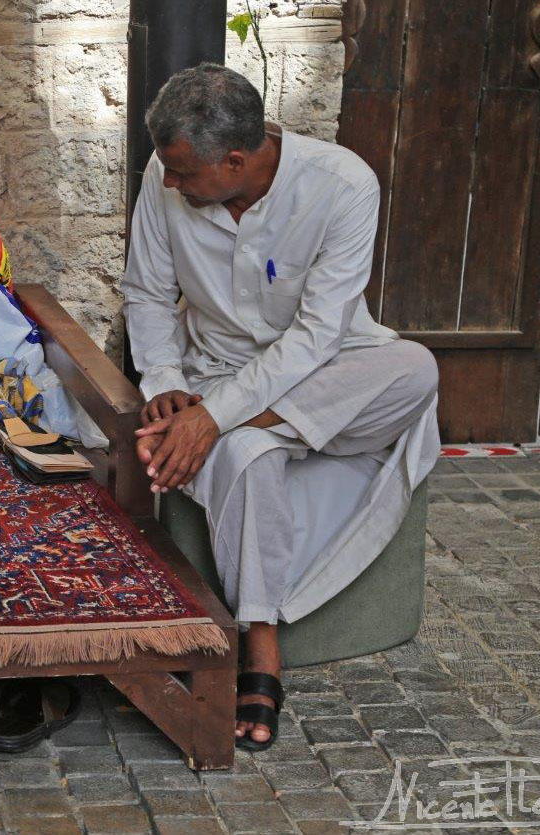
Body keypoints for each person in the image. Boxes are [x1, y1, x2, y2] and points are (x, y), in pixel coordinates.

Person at [121, 64, 440, 750]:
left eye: (184, 174)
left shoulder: (345, 184)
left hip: (329, 373)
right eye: (169, 172)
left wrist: (214, 416)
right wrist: (166, 384)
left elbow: (317, 338)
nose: (170, 183)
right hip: (215, 378)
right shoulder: (164, 172)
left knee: (416, 369)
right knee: (247, 451)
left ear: (236, 160)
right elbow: (146, 293)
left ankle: (233, 426)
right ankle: (260, 648)